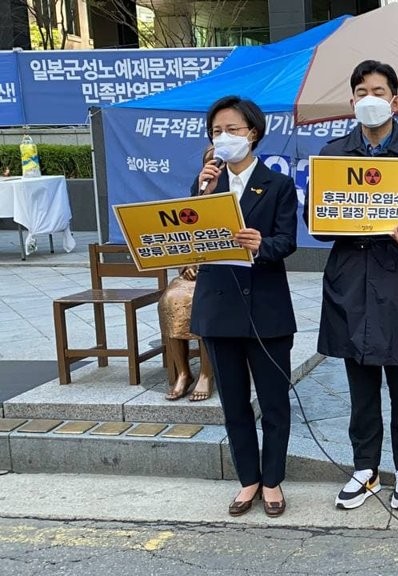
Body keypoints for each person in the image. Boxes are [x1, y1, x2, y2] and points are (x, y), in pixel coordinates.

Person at [311, 60, 398, 512]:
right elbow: (320, 224)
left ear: (396, 101)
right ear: (352, 102)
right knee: (360, 384)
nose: (371, 99)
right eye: (362, 92)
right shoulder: (332, 156)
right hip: (351, 283)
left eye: (380, 91)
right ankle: (364, 469)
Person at [190, 95, 298, 518]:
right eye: (217, 131)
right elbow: (190, 235)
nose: (224, 138)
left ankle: (271, 481)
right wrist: (201, 191)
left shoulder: (278, 185)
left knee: (273, 402)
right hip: (219, 309)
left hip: (265, 309)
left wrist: (261, 245)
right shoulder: (205, 183)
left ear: (252, 133)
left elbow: (286, 240)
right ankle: (247, 479)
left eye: (232, 130)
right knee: (233, 403)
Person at [161, 145, 216, 402]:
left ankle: (207, 373)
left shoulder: (240, 193)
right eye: (210, 162)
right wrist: (186, 264)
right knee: (172, 299)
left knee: (203, 302)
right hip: (192, 271)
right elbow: (183, 238)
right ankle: (184, 372)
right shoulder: (196, 195)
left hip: (221, 272)